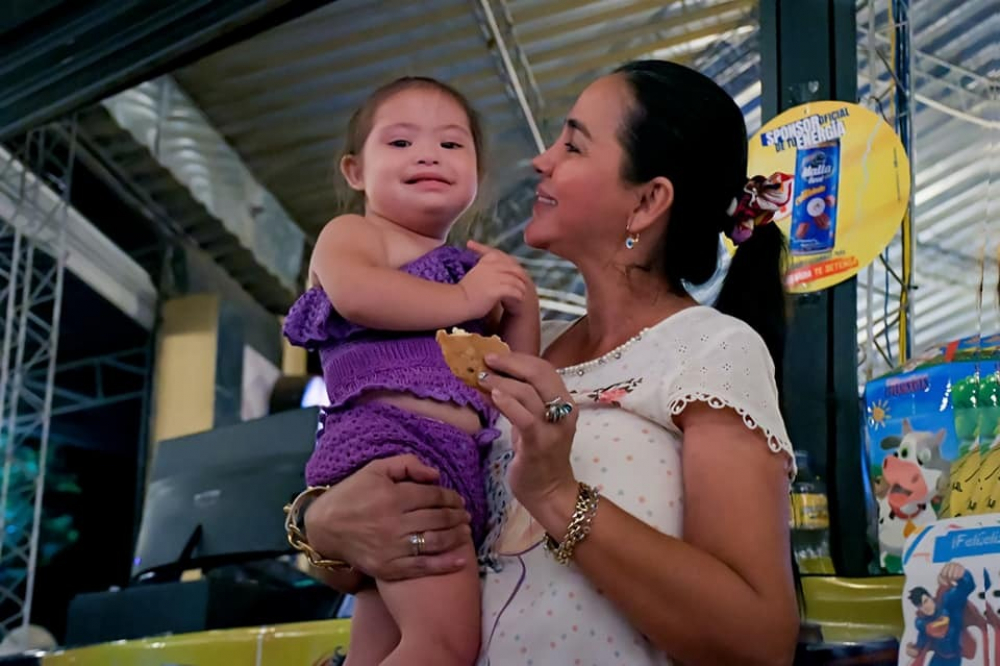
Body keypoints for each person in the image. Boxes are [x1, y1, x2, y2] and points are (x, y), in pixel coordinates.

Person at [291, 60, 800, 665]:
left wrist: (558, 494)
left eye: (573, 145)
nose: (541, 160)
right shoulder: (503, 347)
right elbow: (401, 548)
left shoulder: (709, 350)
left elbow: (759, 643)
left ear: (645, 203)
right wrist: (319, 524)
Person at [282, 77, 539, 666]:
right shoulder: (357, 235)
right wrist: (470, 300)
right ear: (354, 171)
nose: (427, 155)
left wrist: (521, 311)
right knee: (446, 645)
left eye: (452, 145)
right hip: (390, 449)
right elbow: (359, 295)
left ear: (476, 173)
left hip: (457, 461)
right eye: (399, 143)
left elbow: (512, 382)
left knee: (384, 644)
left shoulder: (469, 269)